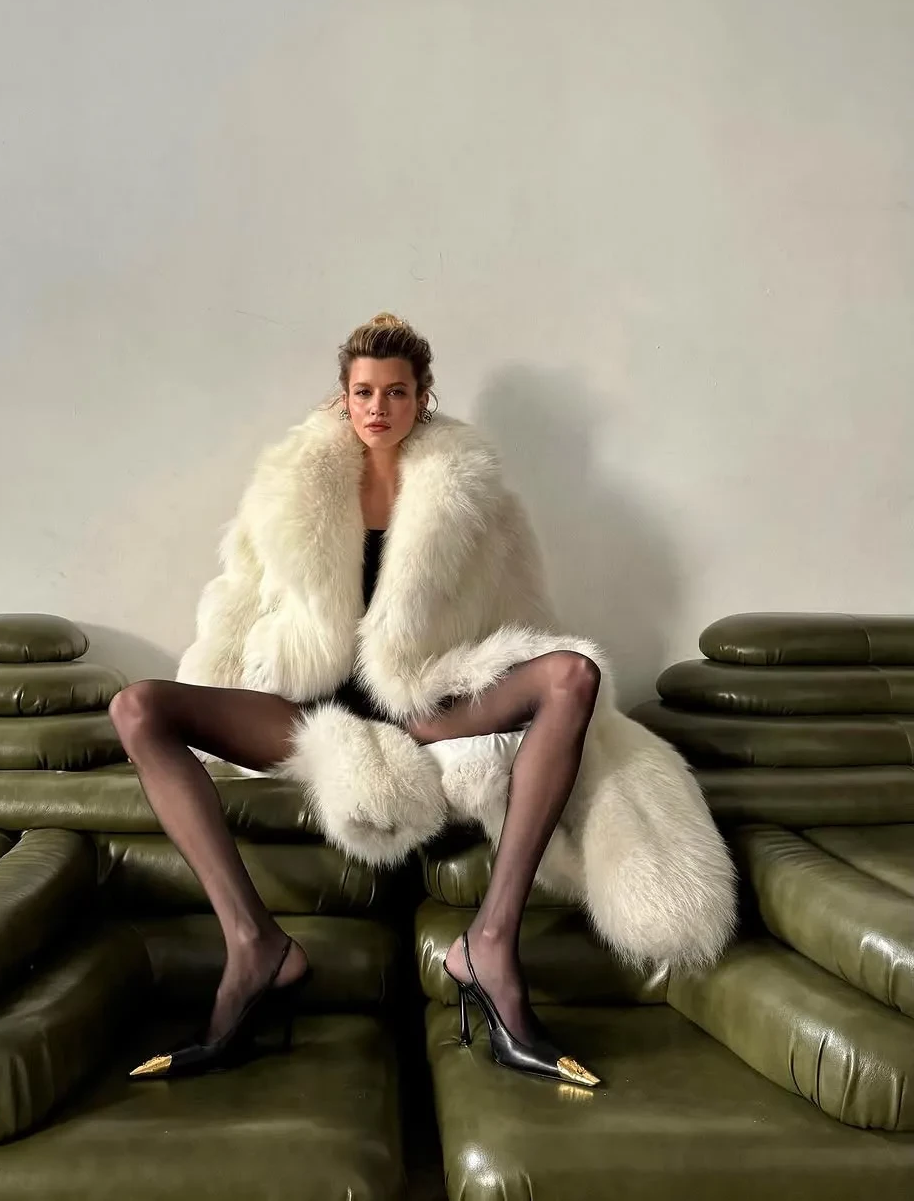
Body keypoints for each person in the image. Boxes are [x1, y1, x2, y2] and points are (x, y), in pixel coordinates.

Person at [109, 313, 735, 1086]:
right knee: (137, 708)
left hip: (422, 706)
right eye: (364, 392)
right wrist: (225, 681)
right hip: (314, 710)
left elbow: (524, 620)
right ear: (343, 397)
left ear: (422, 397)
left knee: (573, 674)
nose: (379, 407)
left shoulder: (475, 501)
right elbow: (239, 610)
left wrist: (519, 703)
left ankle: (490, 944)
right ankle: (254, 945)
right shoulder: (286, 496)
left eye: (396, 392)